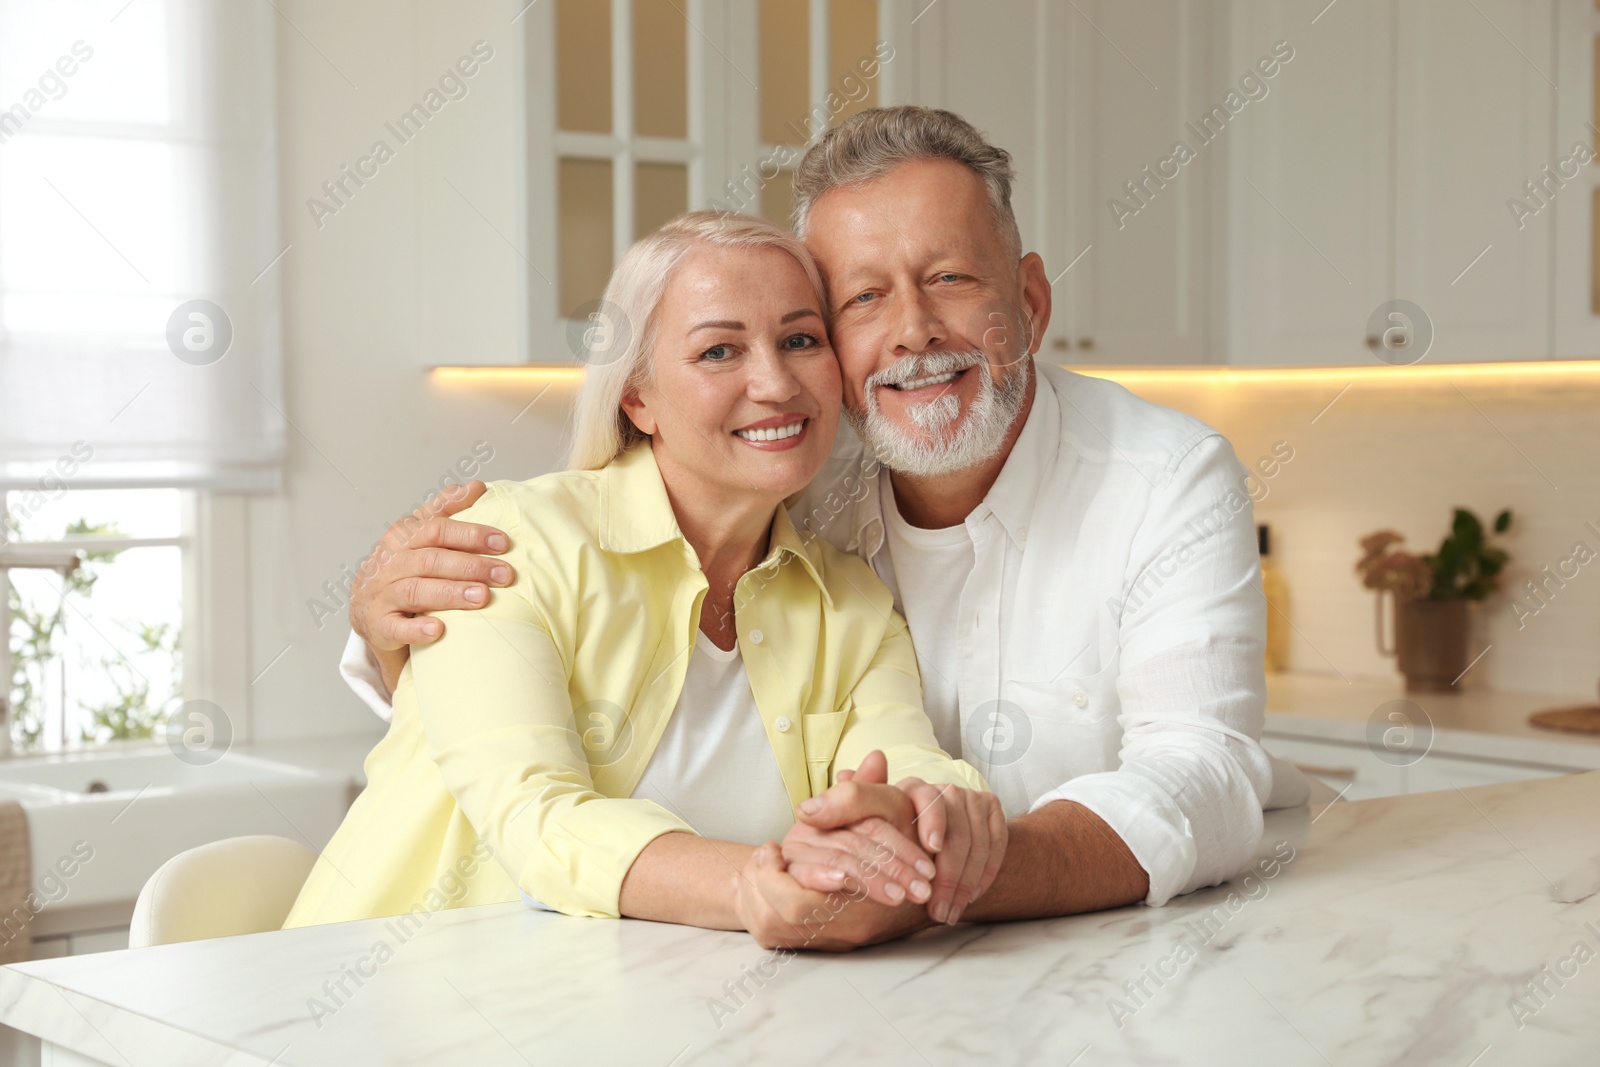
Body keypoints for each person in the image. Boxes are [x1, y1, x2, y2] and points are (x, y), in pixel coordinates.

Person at [342, 107, 1308, 947]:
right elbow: (531, 777)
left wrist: (934, 847)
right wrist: (389, 638)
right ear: (638, 393)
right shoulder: (785, 484)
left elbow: (1202, 776)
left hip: (1033, 960)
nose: (915, 332)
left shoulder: (1148, 483)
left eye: (952, 279)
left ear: (1033, 302)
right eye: (862, 299)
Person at [284, 212, 1003, 945]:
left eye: (800, 340)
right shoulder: (510, 545)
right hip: (391, 998)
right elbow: (536, 817)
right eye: (719, 350)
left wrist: (925, 812)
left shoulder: (851, 602)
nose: (775, 381)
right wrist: (757, 883)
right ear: (638, 398)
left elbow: (905, 766)